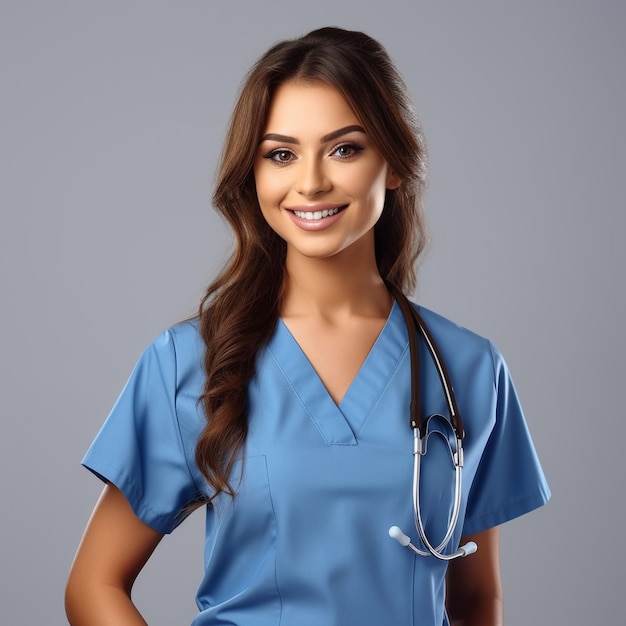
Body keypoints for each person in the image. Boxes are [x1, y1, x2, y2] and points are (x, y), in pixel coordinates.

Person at [65, 26, 550, 626]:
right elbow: (93, 584)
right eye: (281, 154)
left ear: (394, 164)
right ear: (255, 173)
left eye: (345, 149)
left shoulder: (470, 370)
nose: (311, 181)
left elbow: (478, 600)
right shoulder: (190, 361)